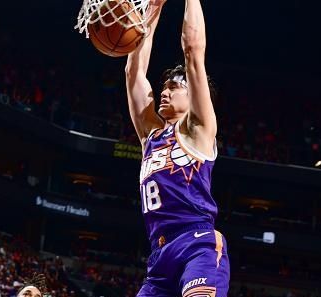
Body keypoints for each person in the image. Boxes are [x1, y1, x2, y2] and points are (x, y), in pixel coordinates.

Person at [125, 0, 230, 296]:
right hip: (158, 259)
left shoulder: (199, 129)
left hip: (198, 245)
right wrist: (153, 9)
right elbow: (134, 72)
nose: (165, 91)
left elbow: (193, 52)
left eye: (174, 87)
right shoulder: (151, 135)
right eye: (164, 87)